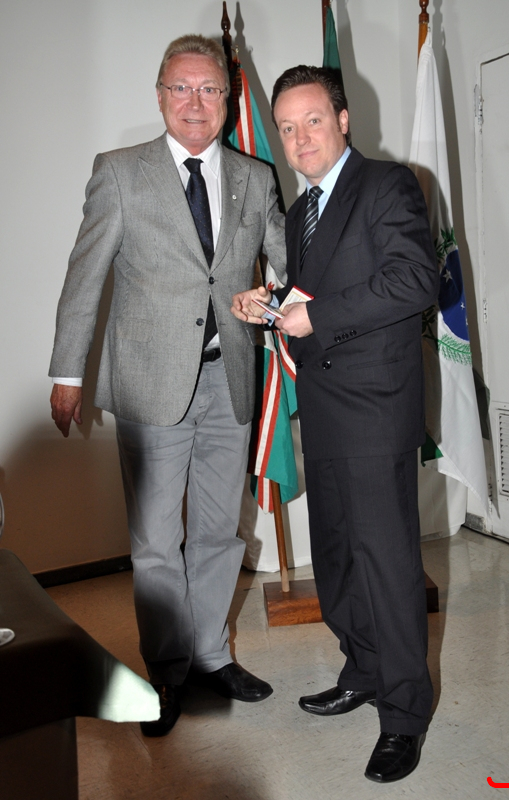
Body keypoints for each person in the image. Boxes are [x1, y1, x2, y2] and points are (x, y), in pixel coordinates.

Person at [49, 34, 286, 737]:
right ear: (160, 97)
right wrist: (67, 372)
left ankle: (211, 655)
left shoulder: (255, 177)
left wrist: (281, 301)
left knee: (217, 531)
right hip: (149, 385)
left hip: (229, 380)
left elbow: (287, 264)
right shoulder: (121, 173)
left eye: (209, 89)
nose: (195, 102)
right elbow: (85, 275)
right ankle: (168, 671)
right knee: (156, 541)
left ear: (227, 100)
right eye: (181, 88)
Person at [231, 65, 439, 783]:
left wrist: (314, 314)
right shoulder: (302, 213)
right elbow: (317, 292)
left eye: (312, 120)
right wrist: (271, 301)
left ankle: (405, 714)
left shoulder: (387, 185)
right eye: (286, 127)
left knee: (387, 565)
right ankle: (364, 669)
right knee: (339, 558)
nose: (299, 139)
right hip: (322, 409)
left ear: (343, 120)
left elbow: (414, 280)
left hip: (376, 411)